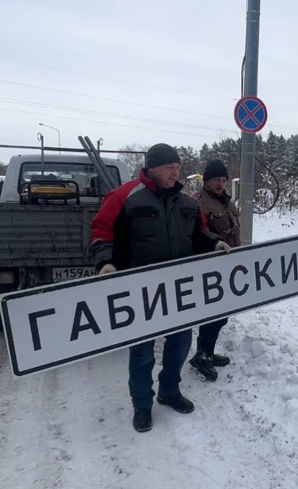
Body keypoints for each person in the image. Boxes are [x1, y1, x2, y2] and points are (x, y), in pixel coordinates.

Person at [89, 144, 229, 433]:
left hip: (179, 291)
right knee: (142, 353)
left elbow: (198, 233)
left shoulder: (187, 203)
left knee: (180, 344)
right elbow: (102, 232)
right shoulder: (124, 197)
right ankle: (142, 405)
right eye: (169, 167)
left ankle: (170, 390)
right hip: (139, 292)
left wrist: (214, 242)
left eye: (178, 166)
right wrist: (106, 263)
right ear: (152, 167)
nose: (175, 171)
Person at [188, 159, 240, 381]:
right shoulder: (198, 204)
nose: (220, 183)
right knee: (213, 313)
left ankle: (206, 352)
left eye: (223, 179)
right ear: (206, 181)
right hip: (210, 267)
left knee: (222, 314)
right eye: (215, 180)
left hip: (229, 265)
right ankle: (202, 355)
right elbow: (196, 236)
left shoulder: (227, 202)